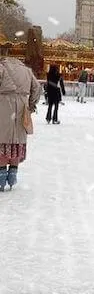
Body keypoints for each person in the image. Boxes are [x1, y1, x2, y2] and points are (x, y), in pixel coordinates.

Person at [0, 51, 41, 191]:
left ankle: (1, 176)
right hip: (22, 109)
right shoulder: (27, 71)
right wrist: (30, 104)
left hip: (3, 107)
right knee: (17, 141)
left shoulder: (1, 67)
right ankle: (12, 174)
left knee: (2, 141)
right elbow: (37, 88)